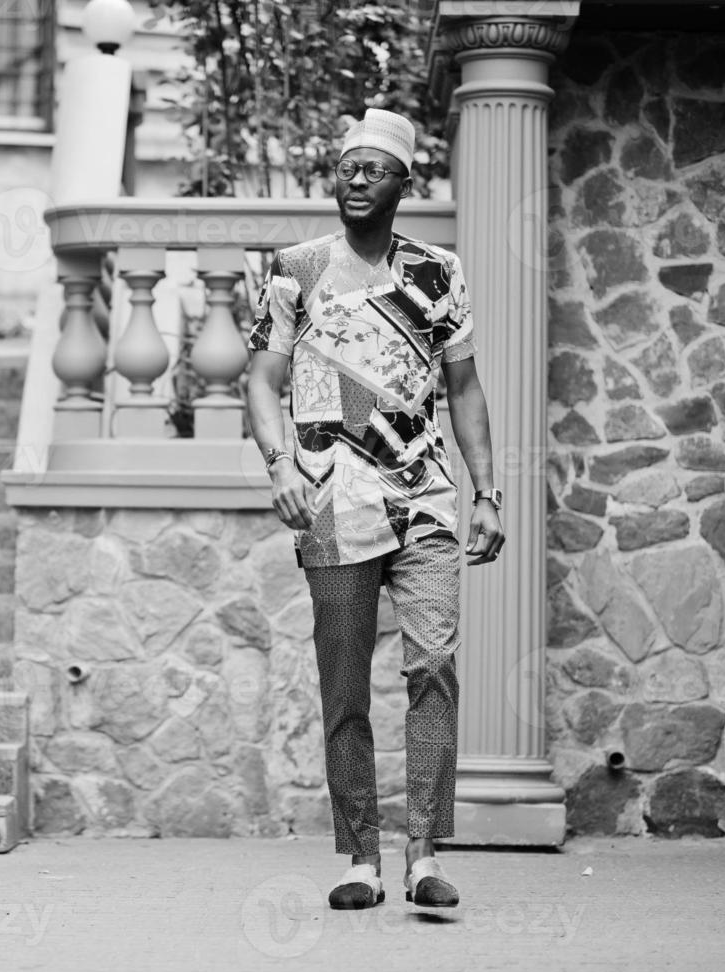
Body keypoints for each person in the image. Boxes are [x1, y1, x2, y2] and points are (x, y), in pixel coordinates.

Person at [244, 107, 505, 911]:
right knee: (344, 685)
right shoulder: (293, 269)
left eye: (372, 168)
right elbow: (259, 380)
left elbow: (462, 387)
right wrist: (279, 463)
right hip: (329, 501)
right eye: (344, 166)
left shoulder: (436, 272)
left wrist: (486, 492)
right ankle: (360, 858)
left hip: (422, 496)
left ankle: (423, 853)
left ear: (403, 182)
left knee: (432, 666)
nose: (354, 179)